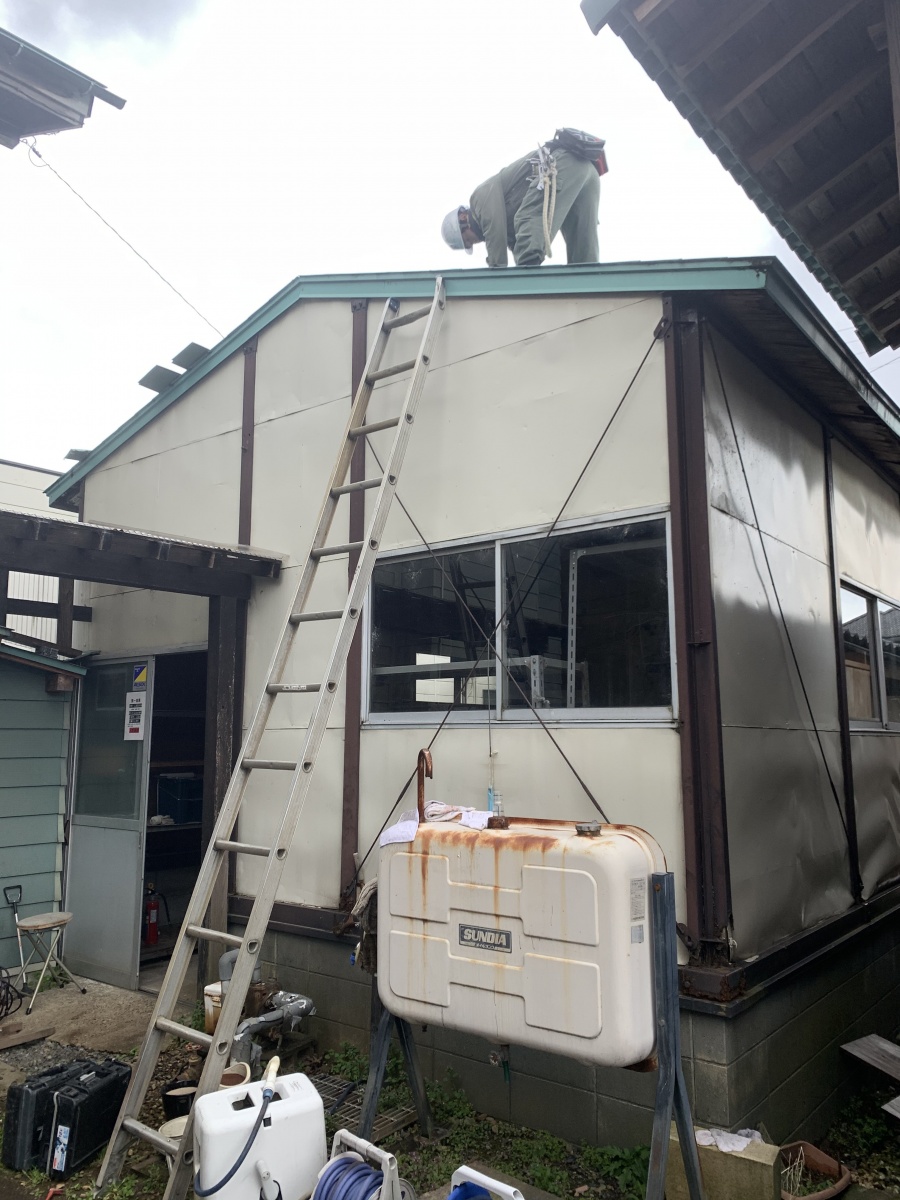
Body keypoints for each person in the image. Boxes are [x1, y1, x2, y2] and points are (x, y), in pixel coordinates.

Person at [441, 140, 601, 268]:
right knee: (582, 252)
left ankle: (527, 287)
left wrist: (499, 278)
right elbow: (516, 245)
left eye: (467, 240)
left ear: (463, 218)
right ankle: (591, 293)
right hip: (585, 172)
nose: (473, 243)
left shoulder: (479, 199)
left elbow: (495, 232)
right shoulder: (508, 233)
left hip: (562, 163)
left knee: (528, 219)